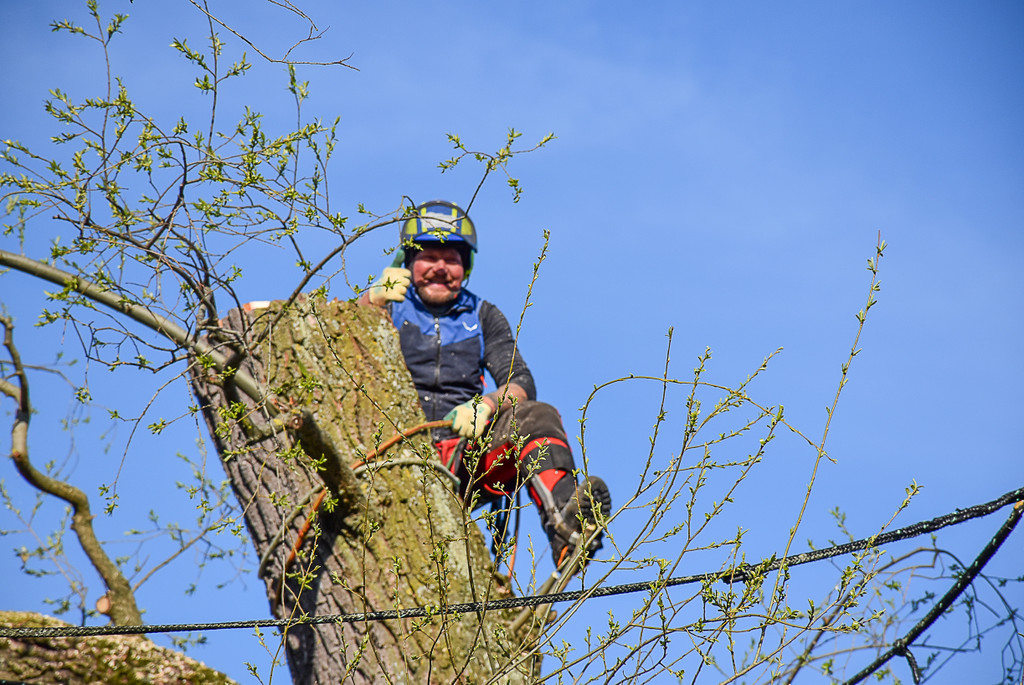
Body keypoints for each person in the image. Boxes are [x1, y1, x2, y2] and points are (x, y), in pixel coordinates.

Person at [359, 200, 610, 567]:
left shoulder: (484, 316)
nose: (441, 268)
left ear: (467, 266)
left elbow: (520, 381)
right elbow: (336, 358)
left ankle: (568, 527)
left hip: (465, 459)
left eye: (452, 258)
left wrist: (488, 404)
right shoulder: (386, 306)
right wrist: (368, 302)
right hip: (392, 451)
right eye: (430, 256)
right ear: (408, 261)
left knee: (537, 416)